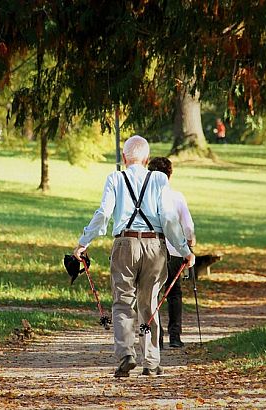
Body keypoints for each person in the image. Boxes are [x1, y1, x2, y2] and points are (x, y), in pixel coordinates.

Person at [72, 135, 195, 378]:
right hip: (154, 245)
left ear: (125, 158)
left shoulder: (115, 178)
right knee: (149, 303)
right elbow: (169, 220)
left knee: (122, 301)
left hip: (124, 243)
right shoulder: (159, 179)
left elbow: (104, 214)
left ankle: (126, 354)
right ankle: (151, 361)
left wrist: (83, 242)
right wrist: (184, 250)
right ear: (147, 159)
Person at [148, 157, 195, 349]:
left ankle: (156, 338)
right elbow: (188, 225)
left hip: (153, 250)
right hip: (175, 250)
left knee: (154, 293)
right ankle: (175, 336)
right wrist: (190, 243)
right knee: (174, 293)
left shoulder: (147, 198)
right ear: (170, 174)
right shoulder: (177, 197)